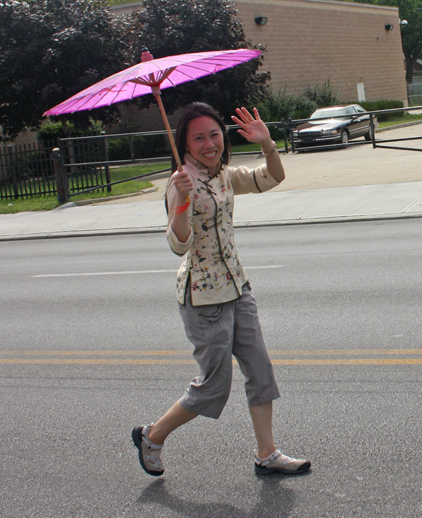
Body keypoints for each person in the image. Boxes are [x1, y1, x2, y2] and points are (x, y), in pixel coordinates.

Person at [132, 102, 311, 477]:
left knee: (260, 370)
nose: (209, 143)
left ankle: (267, 453)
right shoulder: (180, 182)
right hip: (202, 298)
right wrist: (181, 201)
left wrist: (268, 145)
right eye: (199, 137)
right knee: (214, 387)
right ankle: (152, 436)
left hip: (237, 286)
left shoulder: (224, 176)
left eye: (214, 134)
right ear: (184, 143)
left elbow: (271, 178)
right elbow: (177, 244)